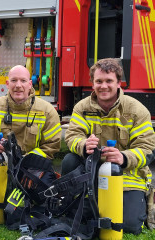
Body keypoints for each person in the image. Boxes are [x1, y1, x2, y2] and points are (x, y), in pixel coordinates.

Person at [62, 58, 155, 235]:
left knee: (128, 226)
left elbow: (148, 148)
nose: (103, 86)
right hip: (93, 174)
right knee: (69, 160)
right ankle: (76, 203)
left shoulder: (136, 110)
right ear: (92, 83)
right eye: (99, 81)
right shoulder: (82, 107)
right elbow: (72, 136)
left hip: (127, 175)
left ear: (119, 83)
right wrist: (83, 145)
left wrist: (124, 157)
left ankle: (134, 203)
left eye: (109, 81)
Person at [0, 65, 62, 186]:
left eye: (23, 81)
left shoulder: (47, 111)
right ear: (7, 84)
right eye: (14, 80)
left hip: (32, 166)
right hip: (1, 160)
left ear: (30, 84)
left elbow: (52, 145)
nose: (18, 85)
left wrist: (26, 160)